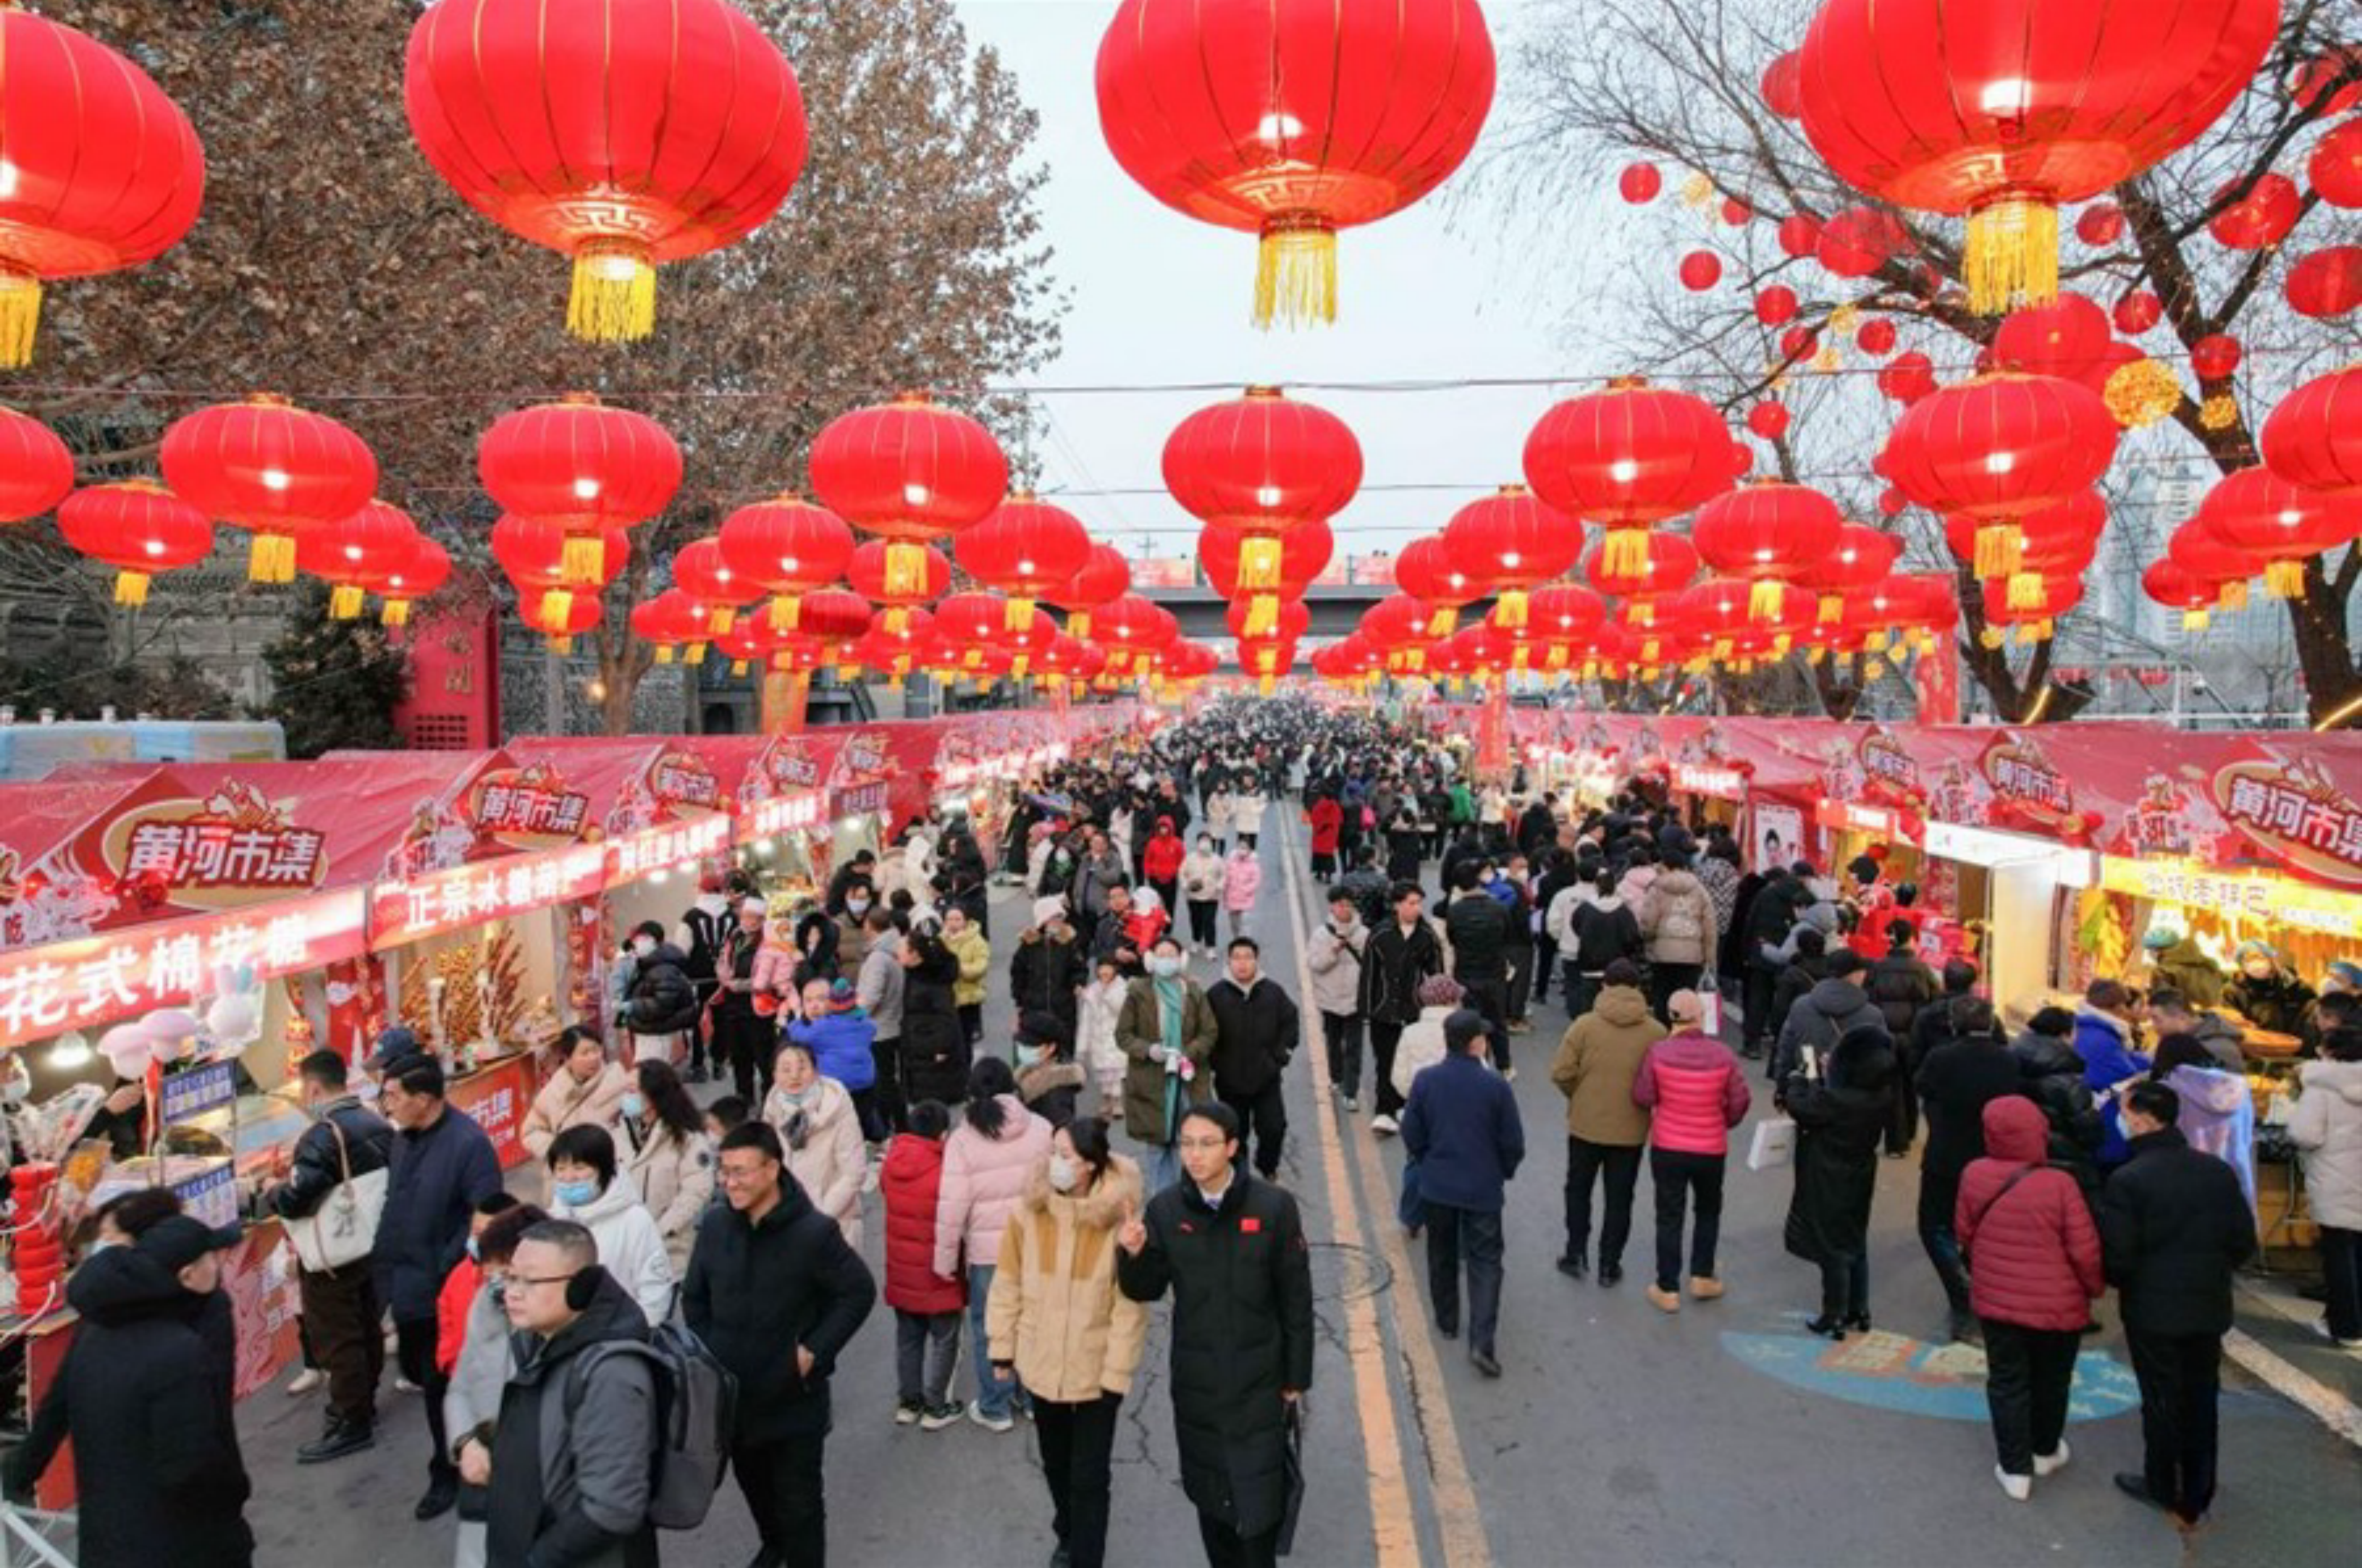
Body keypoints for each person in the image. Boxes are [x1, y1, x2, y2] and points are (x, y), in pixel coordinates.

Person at [1116, 1104, 1314, 1568]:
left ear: (1231, 1147)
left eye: (1206, 1143)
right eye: (1186, 1143)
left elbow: (1296, 1299)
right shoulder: (1165, 1210)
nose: (1194, 1154)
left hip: (1260, 1382)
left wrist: (1295, 1376)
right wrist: (1133, 1253)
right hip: (1198, 1384)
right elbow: (1144, 1287)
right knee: (1213, 1506)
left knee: (1258, 1510)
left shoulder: (1273, 1208)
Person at [3, 1215, 251, 1568]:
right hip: (181, 1546)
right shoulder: (178, 1350)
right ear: (187, 1275)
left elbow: (54, 1411)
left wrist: (19, 1473)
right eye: (210, 1257)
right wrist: (234, 1495)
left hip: (106, 1542)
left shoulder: (94, 1332)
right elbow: (192, 1465)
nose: (220, 1263)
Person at [687, 1121, 878, 1568]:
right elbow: (694, 1298)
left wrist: (814, 1351)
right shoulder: (716, 1225)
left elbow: (857, 1293)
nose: (729, 1182)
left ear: (772, 1169)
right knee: (756, 1491)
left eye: (740, 1172)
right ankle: (774, 1546)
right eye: (724, 1171)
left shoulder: (813, 1233)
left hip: (794, 1401)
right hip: (733, 1399)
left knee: (801, 1505)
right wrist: (711, 1351)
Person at [989, 1117, 1148, 1568]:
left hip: (1098, 1369)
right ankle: (1068, 1529)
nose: (1056, 1164)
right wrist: (1003, 1347)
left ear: (1092, 1165)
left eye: (1067, 1156)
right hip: (1042, 1361)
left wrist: (1117, 1372)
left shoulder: (1121, 1221)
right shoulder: (1030, 1212)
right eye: (1054, 1152)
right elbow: (1007, 1283)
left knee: (1090, 1475)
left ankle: (1085, 1556)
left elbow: (1130, 1306)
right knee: (1056, 1463)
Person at [2100, 1082, 2258, 1528]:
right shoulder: (2216, 1171)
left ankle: (2162, 1483)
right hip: (2208, 1302)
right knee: (2201, 1395)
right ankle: (2198, 1488)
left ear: (2143, 1119)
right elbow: (2242, 1240)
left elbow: (2119, 1258)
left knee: (2162, 1398)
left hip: (2153, 1308)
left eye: (2126, 1112)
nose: (2122, 1120)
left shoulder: (2129, 1179)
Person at [472, 1220, 660, 1568]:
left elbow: (614, 1508)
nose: (512, 1292)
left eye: (530, 1280)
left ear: (580, 1288)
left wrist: (535, 1560)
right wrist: (478, 1440)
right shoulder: (540, 1340)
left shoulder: (611, 1375)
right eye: (510, 1277)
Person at [1956, 1097, 2103, 1501]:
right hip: (2059, 1304)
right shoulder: (2060, 1183)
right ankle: (2045, 1450)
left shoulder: (1974, 1174)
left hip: (1998, 1300)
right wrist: (2094, 1287)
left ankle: (2014, 1468)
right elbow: (2085, 1250)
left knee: (2007, 1381)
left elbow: (1965, 1231)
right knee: (2053, 1380)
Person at [377, 1052, 503, 1520]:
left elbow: (484, 1215)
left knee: (444, 1382)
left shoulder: (468, 1144)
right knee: (420, 1370)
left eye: (393, 1095)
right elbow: (395, 1206)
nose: (386, 1103)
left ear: (424, 1099)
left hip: (446, 1288)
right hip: (406, 1284)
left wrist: (444, 1268)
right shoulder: (401, 1141)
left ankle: (451, 1466)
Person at [264, 1047, 395, 1465]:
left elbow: (298, 1199)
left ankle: (351, 1420)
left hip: (333, 1254)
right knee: (365, 1325)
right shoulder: (377, 1121)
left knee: (339, 1338)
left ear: (314, 1086)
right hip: (370, 1243)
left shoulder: (323, 1135)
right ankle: (363, 1405)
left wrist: (271, 1192)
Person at [1401, 1008, 1524, 1376]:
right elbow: (1513, 1142)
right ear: (1477, 1043)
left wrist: (1428, 1163)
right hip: (1483, 1188)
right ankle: (1482, 1342)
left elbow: (1412, 1131)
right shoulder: (1496, 1086)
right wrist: (1503, 1171)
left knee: (1442, 1253)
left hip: (1438, 1186)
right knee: (1486, 1261)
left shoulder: (1426, 1080)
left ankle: (1447, 1320)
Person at [936, 1057, 1055, 1432]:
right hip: (1037, 1244)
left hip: (989, 1254)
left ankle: (995, 1405)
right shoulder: (1040, 1128)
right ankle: (1035, 1398)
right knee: (1035, 1321)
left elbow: (952, 1204)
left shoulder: (963, 1138)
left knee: (992, 1326)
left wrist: (944, 1259)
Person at [1911, 996, 2024, 1343]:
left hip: (1946, 1155)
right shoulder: (2008, 1060)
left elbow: (1922, 1086)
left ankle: (1963, 1295)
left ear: (1954, 1024)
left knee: (1935, 1225)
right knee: (1981, 1228)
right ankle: (1976, 1284)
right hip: (1992, 1159)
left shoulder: (1942, 1058)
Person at [1632, 989, 1752, 1314]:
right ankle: (1702, 1276)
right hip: (1711, 1149)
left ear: (1670, 1017)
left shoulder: (1658, 1053)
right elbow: (1740, 1101)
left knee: (1670, 1216)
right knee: (1708, 1211)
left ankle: (1667, 1288)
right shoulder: (1724, 1055)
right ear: (1701, 1016)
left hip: (1668, 1147)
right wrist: (1722, 1122)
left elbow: (1643, 1096)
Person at [1549, 958, 1665, 1285]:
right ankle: (1609, 1265)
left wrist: (1579, 1095)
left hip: (1586, 1124)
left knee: (1578, 1190)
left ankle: (1575, 1253)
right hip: (1630, 1130)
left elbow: (1561, 1072)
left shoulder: (1585, 1025)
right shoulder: (1656, 1032)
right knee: (1620, 1198)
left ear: (1605, 986)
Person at [443, 1203, 544, 1568]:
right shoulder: (485, 1306)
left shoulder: (568, 1331)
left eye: (507, 1276)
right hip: (487, 1482)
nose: (501, 1291)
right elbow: (459, 1388)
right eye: (492, 1279)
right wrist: (466, 1442)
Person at [1781, 1023, 1894, 1339]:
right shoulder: (1881, 1096)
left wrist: (1799, 1078)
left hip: (1827, 1175)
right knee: (1855, 1240)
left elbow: (1801, 1107)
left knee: (1831, 1248)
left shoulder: (1835, 1101)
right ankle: (1860, 1309)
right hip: (1861, 1173)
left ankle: (1834, 1314)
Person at [881, 1099, 967, 1430]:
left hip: (902, 1271)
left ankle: (909, 1401)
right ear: (943, 1134)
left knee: (908, 1337)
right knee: (945, 1338)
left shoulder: (893, 1163)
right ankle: (936, 1405)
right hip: (937, 1272)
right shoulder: (945, 1170)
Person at [544, 1125, 677, 1326]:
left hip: (619, 1340)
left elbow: (655, 1290)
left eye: (579, 1168)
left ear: (605, 1170)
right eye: (561, 1169)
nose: (569, 1177)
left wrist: (635, 1337)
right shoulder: (552, 1222)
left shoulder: (634, 1220)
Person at [1119, 935, 1221, 1190]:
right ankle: (1161, 1204)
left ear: (1181, 960)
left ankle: (1187, 1198)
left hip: (1189, 1079)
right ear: (1152, 960)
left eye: (1171, 955)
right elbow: (1123, 1036)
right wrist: (1149, 1050)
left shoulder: (1194, 993)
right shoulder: (1138, 993)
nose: (1166, 960)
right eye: (1161, 955)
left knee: (1187, 1141)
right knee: (1157, 1146)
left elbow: (1209, 1032)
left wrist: (1188, 1053)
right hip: (1150, 1080)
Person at [1206, 937, 1301, 1181]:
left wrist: (1280, 1057)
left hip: (1266, 1078)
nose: (1243, 964)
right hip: (1230, 1081)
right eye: (1237, 958)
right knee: (1235, 1133)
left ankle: (1267, 1165)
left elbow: (1290, 1023)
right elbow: (1204, 1031)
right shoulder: (1216, 995)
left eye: (1248, 957)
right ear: (1229, 961)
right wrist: (1216, 1063)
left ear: (1256, 960)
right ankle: (1240, 1176)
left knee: (1274, 1127)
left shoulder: (1273, 992)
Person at [2290, 1027, 2362, 1347]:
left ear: (2328, 1051)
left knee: (2339, 1254)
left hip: (2336, 1178)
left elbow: (2306, 1134)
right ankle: (2338, 1319)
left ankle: (2347, 1328)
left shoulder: (2321, 1087)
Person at [1363, 882, 1447, 1135]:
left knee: (1413, 1060)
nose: (1416, 908)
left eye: (1419, 903)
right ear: (1398, 905)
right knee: (1385, 1061)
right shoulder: (1380, 934)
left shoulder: (1428, 937)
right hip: (1384, 1011)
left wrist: (1438, 1011)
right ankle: (1384, 1110)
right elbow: (1369, 976)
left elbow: (1437, 976)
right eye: (1411, 903)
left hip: (1414, 1012)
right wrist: (1368, 1009)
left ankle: (1406, 1106)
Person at [2149, 1032, 2259, 1216]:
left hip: (2186, 1178)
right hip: (2234, 1172)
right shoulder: (2238, 1087)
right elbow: (2248, 1132)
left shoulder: (2169, 1089)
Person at [1865, 920, 1939, 1156]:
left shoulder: (1878, 968)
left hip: (1884, 1034)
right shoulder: (1922, 969)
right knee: (1909, 1084)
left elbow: (1869, 999)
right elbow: (1933, 1001)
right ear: (1912, 939)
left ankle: (1894, 1138)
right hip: (1912, 1035)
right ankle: (1908, 1132)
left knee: (1890, 1084)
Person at [1772, 947, 1882, 1088]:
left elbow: (1787, 1049)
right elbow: (1878, 1062)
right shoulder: (1872, 1015)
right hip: (1850, 1093)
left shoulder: (1802, 1005)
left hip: (1807, 1085)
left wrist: (1782, 1087)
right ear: (1856, 974)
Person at [520, 1027, 631, 1163]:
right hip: (569, 1175)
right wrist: (560, 1152)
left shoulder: (618, 1082)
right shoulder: (553, 1092)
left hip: (608, 1169)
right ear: (568, 1059)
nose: (593, 1058)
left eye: (596, 1050)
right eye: (584, 1053)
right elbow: (531, 1132)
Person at [1549, 866, 1643, 1023]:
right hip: (1617, 963)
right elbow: (1632, 937)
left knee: (1588, 1001)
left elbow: (1576, 926)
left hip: (1589, 961)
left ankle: (1584, 1026)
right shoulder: (1623, 911)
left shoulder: (1586, 909)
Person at [2076, 980, 2154, 1170]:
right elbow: (2122, 1074)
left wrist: (2144, 1060)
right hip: (2107, 1118)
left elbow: (2123, 1059)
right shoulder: (2101, 1037)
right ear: (2116, 1006)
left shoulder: (2090, 1029)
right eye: (2124, 1005)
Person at [1446, 865, 1515, 1075]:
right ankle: (1504, 1065)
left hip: (1466, 972)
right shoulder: (1499, 908)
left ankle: (1477, 1062)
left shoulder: (1455, 911)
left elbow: (1453, 939)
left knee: (1471, 1021)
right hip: (1494, 972)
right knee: (1498, 1020)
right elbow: (1507, 936)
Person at [899, 923, 975, 1116]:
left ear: (915, 954)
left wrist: (941, 1048)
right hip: (921, 1052)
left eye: (901, 948)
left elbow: (946, 1018)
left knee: (935, 1111)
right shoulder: (916, 974)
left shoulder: (932, 982)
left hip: (933, 1055)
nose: (897, 952)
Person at [1307, 888, 1369, 1113]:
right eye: (1340, 905)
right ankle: (1336, 1076)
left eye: (1348, 905)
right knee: (1333, 1041)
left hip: (1355, 1000)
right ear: (1332, 907)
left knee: (1354, 1046)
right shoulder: (1321, 935)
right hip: (1330, 998)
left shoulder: (1363, 934)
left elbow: (1372, 967)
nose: (1345, 909)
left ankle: (1351, 1092)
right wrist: (1333, 951)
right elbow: (1315, 964)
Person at [1638, 850, 1717, 1019]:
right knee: (1686, 999)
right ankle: (1682, 1036)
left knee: (1662, 997)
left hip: (1663, 954)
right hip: (1692, 955)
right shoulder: (1700, 890)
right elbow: (1710, 925)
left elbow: (1648, 922)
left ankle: (1663, 1036)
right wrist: (1709, 957)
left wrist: (1648, 939)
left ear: (1665, 866)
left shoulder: (1657, 888)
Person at [715, 895, 774, 1103]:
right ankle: (744, 1098)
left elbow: (769, 978)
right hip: (733, 1008)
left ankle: (770, 1101)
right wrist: (723, 974)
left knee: (764, 1058)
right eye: (745, 916)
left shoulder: (769, 942)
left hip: (758, 1009)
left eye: (753, 917)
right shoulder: (735, 937)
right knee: (740, 1058)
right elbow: (723, 960)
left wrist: (740, 985)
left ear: (761, 919)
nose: (748, 921)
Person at [621, 920, 701, 1067]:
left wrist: (633, 1006)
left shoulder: (663, 969)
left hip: (656, 1032)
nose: (637, 944)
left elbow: (663, 1005)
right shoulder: (648, 965)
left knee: (651, 1074)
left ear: (654, 941)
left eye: (642, 940)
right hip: (650, 1030)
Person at [857, 908, 910, 1131]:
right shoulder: (894, 949)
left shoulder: (879, 958)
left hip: (880, 1029)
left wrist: (854, 1016)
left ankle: (890, 1127)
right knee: (890, 1081)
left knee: (883, 1083)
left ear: (870, 926)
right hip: (893, 1024)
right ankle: (901, 1124)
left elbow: (871, 996)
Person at [1012, 896, 1088, 1041]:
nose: (1059, 921)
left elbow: (1079, 967)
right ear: (1043, 920)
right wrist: (1020, 1002)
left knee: (1064, 1046)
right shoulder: (1029, 945)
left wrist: (1079, 983)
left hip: (1063, 1007)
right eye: (1054, 917)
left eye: (1061, 917)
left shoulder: (1069, 943)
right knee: (1038, 1046)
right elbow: (1018, 974)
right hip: (1035, 1008)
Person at [2225, 940, 2315, 1038]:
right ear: (2241, 965)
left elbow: (2310, 999)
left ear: (2271, 961)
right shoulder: (2233, 990)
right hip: (2253, 1045)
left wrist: (2288, 978)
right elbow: (2228, 1020)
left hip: (2292, 1044)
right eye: (2249, 960)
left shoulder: (2287, 983)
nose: (2256, 964)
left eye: (2261, 958)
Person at [1015, 1009, 1087, 1128]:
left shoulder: (1056, 1096)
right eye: (1022, 1044)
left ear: (1051, 1048)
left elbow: (1061, 1133)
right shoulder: (1032, 1070)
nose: (1023, 1049)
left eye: (1030, 1045)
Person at [2148, 988, 2246, 1073]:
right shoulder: (2191, 1039)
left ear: (2182, 1018)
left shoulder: (2216, 1049)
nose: (2155, 1027)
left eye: (2157, 1020)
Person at [1079, 958, 1130, 1116]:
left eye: (1108, 968)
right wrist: (1082, 1046)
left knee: (1116, 1072)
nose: (1104, 972)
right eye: (1101, 969)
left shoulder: (1123, 989)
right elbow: (1086, 1020)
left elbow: (1122, 1011)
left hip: (1116, 1038)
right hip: (1097, 1038)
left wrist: (1108, 996)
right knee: (1103, 1073)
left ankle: (1117, 1101)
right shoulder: (1092, 992)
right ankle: (1106, 1098)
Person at [943, 903, 992, 1051]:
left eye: (957, 919)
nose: (953, 923)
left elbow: (981, 967)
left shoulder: (977, 941)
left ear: (965, 921)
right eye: (949, 919)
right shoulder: (940, 940)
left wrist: (958, 969)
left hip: (968, 999)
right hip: (945, 998)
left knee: (965, 1041)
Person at [1180, 833, 1225, 958]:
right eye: (1202, 840)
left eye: (1207, 841)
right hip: (1194, 896)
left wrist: (1219, 886)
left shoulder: (1217, 859)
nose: (1205, 843)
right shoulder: (1190, 859)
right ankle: (1196, 941)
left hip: (1211, 896)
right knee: (1196, 920)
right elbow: (1182, 873)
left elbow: (1224, 875)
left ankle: (1211, 947)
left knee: (1209, 921)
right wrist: (1185, 885)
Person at [1221, 841, 1263, 943]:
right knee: (1234, 924)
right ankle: (1236, 940)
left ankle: (1247, 942)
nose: (1242, 850)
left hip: (1246, 899)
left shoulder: (1254, 865)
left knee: (1245, 922)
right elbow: (1224, 877)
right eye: (1240, 848)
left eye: (1245, 848)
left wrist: (1246, 890)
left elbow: (1256, 881)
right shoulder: (1230, 863)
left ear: (1249, 851)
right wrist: (1223, 888)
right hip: (1232, 898)